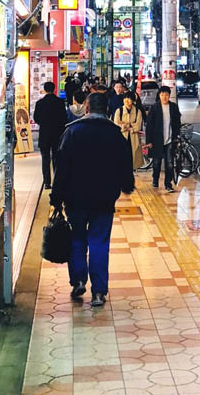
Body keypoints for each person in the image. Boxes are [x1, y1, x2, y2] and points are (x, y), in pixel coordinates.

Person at [51, 91, 134, 306]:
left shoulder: (72, 132)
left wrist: (56, 198)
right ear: (106, 110)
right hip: (104, 200)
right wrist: (127, 186)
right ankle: (98, 291)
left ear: (86, 109)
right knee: (99, 242)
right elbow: (125, 164)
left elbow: (62, 168)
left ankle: (78, 280)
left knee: (77, 239)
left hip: (75, 199)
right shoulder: (115, 134)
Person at [145, 86, 181, 192]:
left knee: (169, 163)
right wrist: (149, 141)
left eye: (166, 95)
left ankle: (168, 184)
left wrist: (177, 135)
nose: (164, 97)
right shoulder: (154, 108)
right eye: (162, 95)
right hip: (157, 140)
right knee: (157, 162)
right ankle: (155, 179)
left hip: (170, 139)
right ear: (159, 96)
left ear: (169, 95)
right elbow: (149, 126)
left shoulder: (174, 107)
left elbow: (177, 123)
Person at [33, 81, 68, 189]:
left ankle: (47, 183)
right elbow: (64, 118)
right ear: (54, 89)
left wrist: (43, 124)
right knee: (56, 158)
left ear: (44, 90)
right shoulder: (60, 102)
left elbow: (36, 118)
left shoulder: (40, 103)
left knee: (45, 158)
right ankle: (57, 181)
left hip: (44, 134)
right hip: (57, 134)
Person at [113, 91, 145, 170]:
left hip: (134, 139)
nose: (127, 100)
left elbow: (138, 127)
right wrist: (130, 125)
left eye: (129, 99)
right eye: (125, 98)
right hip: (121, 138)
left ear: (133, 101)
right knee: (121, 159)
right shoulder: (119, 111)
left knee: (132, 161)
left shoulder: (138, 111)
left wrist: (124, 124)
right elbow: (116, 125)